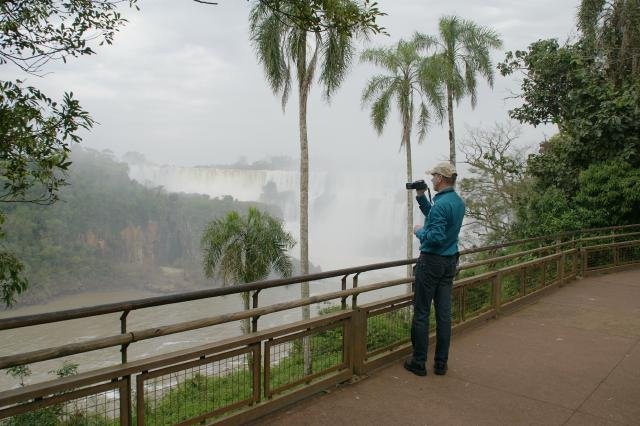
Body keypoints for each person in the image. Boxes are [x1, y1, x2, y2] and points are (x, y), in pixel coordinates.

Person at [404, 161, 465, 377]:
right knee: (444, 315)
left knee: (421, 312)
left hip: (431, 262)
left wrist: (419, 232)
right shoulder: (457, 202)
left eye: (433, 177)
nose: (431, 180)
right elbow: (438, 218)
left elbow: (436, 235)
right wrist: (421, 197)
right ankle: (441, 364)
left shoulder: (441, 204)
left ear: (441, 178)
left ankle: (418, 362)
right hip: (449, 262)